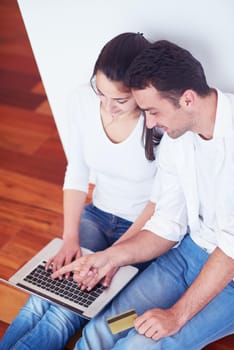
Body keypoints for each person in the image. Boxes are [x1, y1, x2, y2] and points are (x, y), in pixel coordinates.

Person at [53, 40, 234, 350]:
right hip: (188, 255)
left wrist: (176, 316)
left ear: (187, 99)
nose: (149, 123)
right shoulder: (177, 139)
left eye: (152, 111)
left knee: (140, 344)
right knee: (103, 329)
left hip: (228, 278)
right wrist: (109, 258)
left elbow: (230, 250)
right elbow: (167, 224)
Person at [0, 33, 163, 350]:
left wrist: (113, 257)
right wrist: (70, 238)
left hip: (141, 232)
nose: (107, 106)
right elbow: (76, 170)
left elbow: (158, 204)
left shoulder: (159, 122)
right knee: (42, 297)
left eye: (120, 100)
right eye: (100, 93)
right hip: (98, 215)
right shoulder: (80, 100)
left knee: (64, 312)